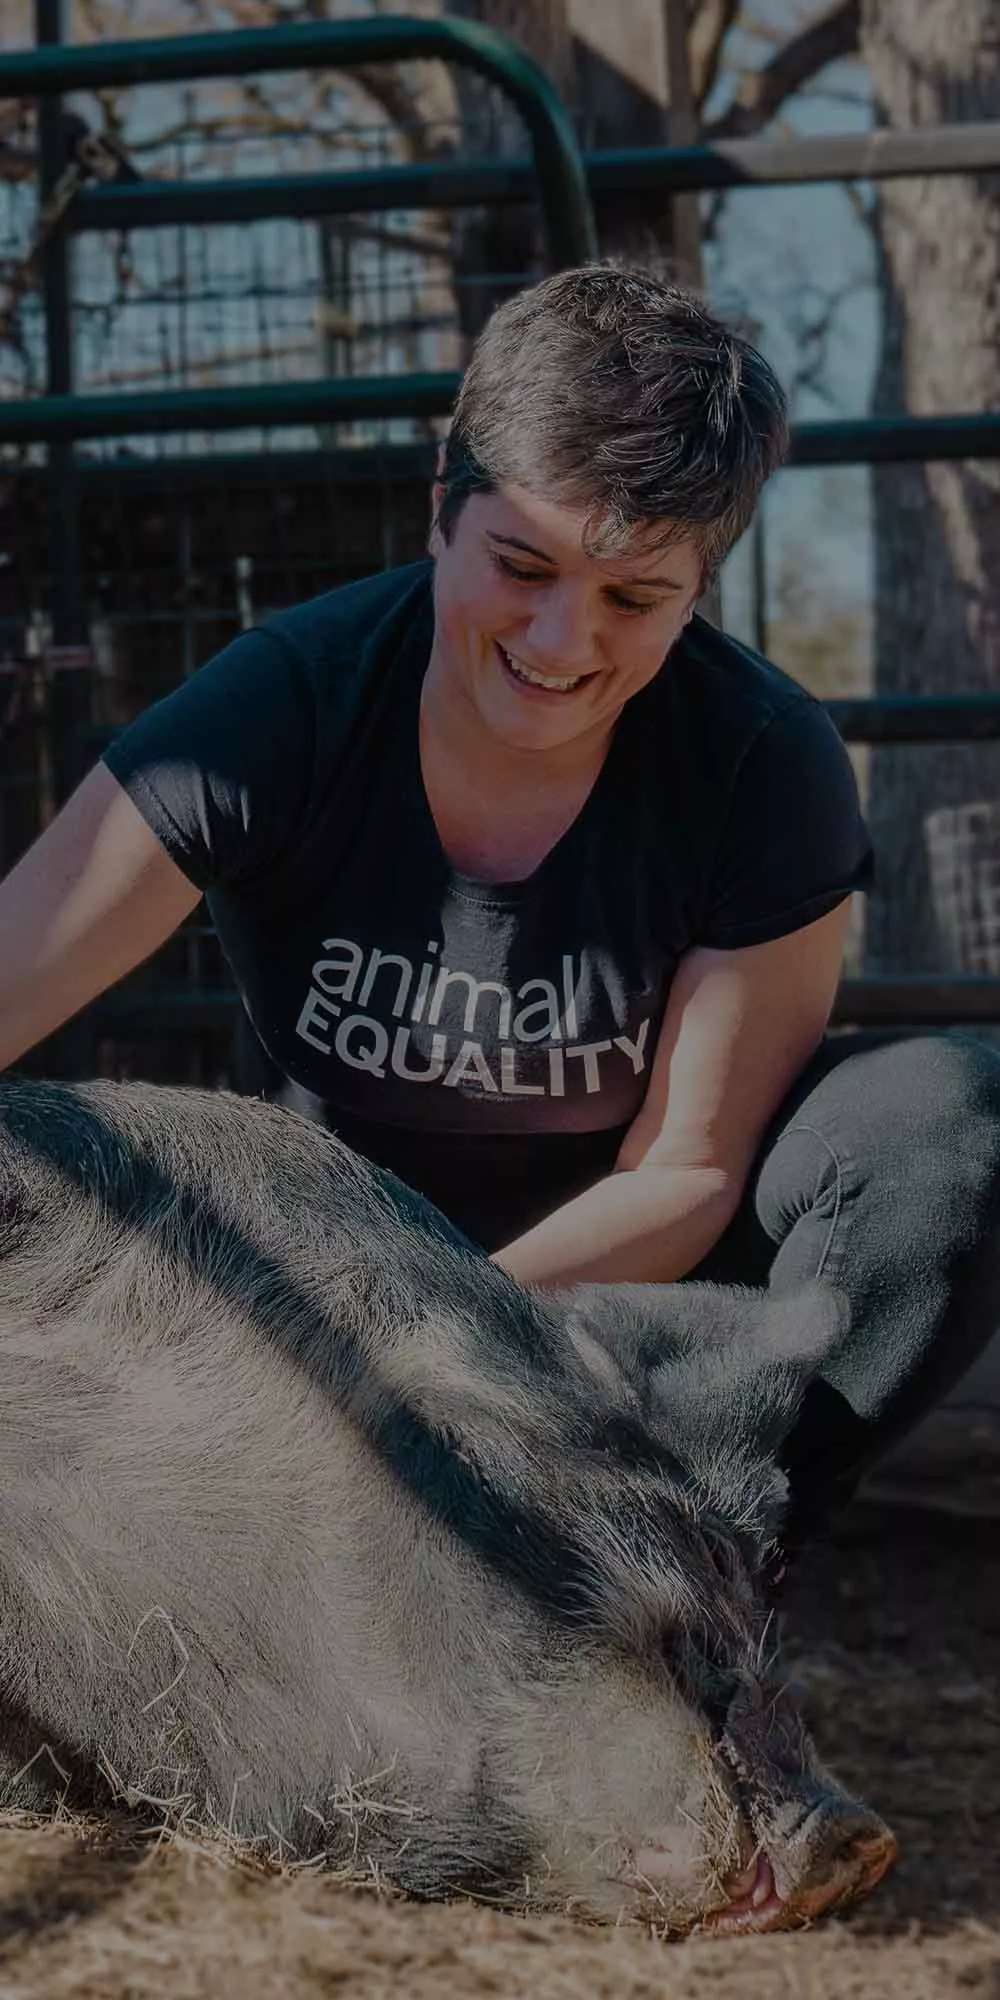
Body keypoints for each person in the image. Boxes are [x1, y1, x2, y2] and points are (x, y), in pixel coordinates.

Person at [2, 264, 999, 1559]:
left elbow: (686, 1168)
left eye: (635, 597)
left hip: (620, 1298)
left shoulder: (763, 757)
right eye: (519, 564)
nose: (561, 639)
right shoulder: (287, 702)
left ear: (703, 584)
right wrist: (331, 1369)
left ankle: (705, 1585)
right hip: (324, 1266)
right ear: (442, 506)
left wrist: (433, 1355)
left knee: (949, 1126)